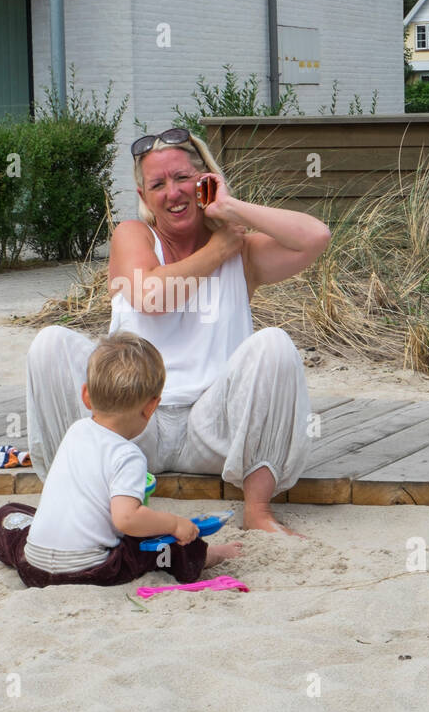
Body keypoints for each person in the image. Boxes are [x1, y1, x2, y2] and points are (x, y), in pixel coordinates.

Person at [25, 127, 331, 534]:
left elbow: (315, 237)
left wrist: (231, 208)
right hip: (130, 426)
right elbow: (151, 296)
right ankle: (75, 498)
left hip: (213, 430)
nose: (172, 192)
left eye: (183, 178)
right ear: (144, 198)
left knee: (273, 345)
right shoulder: (134, 236)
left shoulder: (243, 252)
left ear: (205, 180)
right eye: (158, 184)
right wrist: (219, 249)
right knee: (50, 344)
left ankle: (258, 512)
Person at [0, 332, 240, 588]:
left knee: (7, 513)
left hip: (32, 567)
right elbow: (126, 520)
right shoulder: (128, 455)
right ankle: (205, 556)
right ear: (151, 407)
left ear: (86, 395)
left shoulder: (75, 431)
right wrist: (174, 523)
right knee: (165, 543)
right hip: (92, 569)